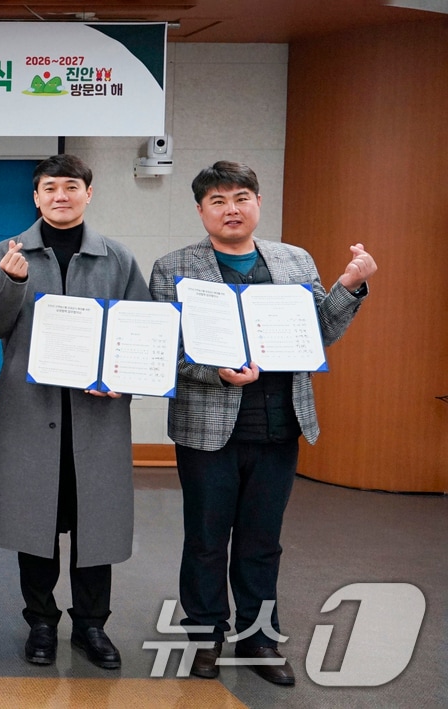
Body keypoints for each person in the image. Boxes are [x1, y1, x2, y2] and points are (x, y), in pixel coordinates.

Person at [149, 161, 374, 686]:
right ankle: (205, 635)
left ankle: (259, 637)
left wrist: (349, 285)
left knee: (262, 540)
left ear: (257, 202)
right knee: (206, 538)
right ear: (201, 209)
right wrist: (216, 373)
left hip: (279, 425)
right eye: (219, 201)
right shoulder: (173, 266)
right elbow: (166, 350)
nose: (232, 209)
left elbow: (319, 331)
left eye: (242, 197)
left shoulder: (293, 261)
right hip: (207, 427)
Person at [0, 154, 149, 670]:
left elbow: (139, 331)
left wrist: (123, 382)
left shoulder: (116, 257)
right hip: (32, 415)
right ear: (36, 197)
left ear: (88, 194)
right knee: (36, 525)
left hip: (97, 418)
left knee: (97, 527)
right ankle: (42, 624)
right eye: (50, 187)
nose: (61, 196)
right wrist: (11, 282)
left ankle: (93, 626)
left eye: (72, 186)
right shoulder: (8, 252)